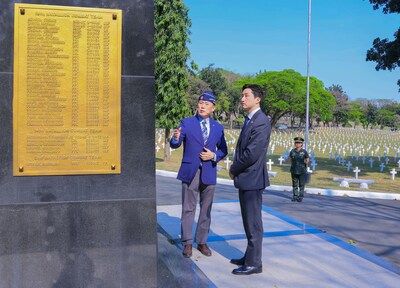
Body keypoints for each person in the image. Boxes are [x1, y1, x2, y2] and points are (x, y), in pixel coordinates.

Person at [170, 90, 228, 258]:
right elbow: (175, 144)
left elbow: (224, 149)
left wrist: (214, 156)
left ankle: (202, 241)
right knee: (188, 208)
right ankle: (187, 242)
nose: (202, 106)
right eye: (200, 103)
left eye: (206, 104)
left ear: (213, 108)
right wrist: (175, 138)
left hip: (209, 172)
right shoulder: (187, 123)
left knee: (206, 209)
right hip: (190, 172)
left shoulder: (218, 127)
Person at [229, 84, 271, 275]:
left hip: (252, 178)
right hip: (247, 178)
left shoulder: (261, 121)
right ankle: (249, 256)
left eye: (246, 96)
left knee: (253, 223)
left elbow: (251, 153)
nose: (242, 99)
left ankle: (255, 263)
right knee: (248, 221)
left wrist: (234, 168)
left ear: (257, 99)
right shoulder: (251, 119)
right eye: (242, 95)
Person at [289, 137, 310, 202]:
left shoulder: (304, 152)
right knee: (294, 184)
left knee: (301, 184)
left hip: (302, 170)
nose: (297, 144)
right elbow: (290, 159)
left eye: (299, 143)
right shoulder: (292, 151)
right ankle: (295, 196)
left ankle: (300, 197)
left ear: (301, 144)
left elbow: (307, 159)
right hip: (294, 170)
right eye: (296, 143)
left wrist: (304, 164)